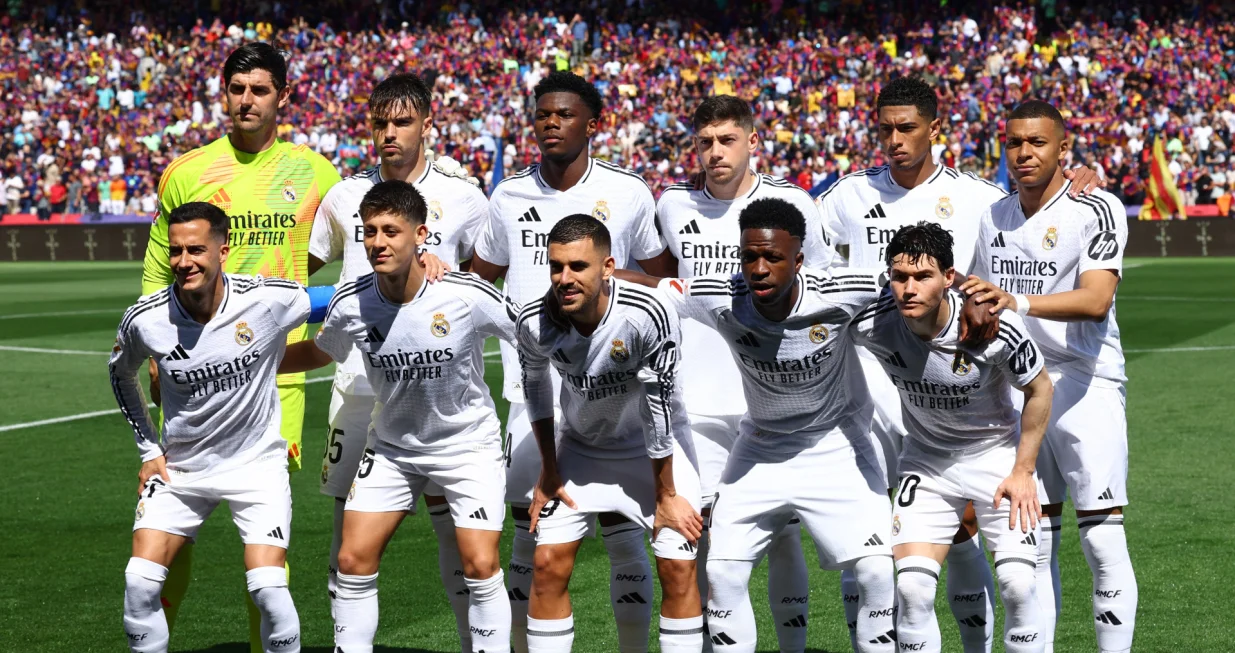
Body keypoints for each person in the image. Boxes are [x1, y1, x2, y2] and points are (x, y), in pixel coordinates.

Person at [816, 75, 1100, 652]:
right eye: (884, 129)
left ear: (934, 130)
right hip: (875, 393)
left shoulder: (977, 199)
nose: (894, 141)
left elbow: (1026, 229)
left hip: (965, 385)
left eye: (907, 128)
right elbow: (809, 267)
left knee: (984, 544)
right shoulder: (844, 195)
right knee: (881, 553)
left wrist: (1079, 183)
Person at [620, 197, 897, 653]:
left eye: (773, 257)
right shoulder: (720, 296)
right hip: (759, 450)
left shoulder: (842, 290)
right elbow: (653, 285)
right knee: (723, 573)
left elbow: (914, 284)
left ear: (800, 260)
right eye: (750, 256)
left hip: (836, 449)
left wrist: (977, 299)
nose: (760, 268)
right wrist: (597, 278)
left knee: (875, 572)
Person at [139, 42, 341, 651]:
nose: (245, 100)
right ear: (223, 94)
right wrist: (155, 355)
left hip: (277, 383)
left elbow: (346, 258)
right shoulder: (187, 172)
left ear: (283, 95)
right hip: (192, 380)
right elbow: (156, 270)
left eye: (259, 89)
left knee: (265, 554)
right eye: (236, 88)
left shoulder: (316, 174)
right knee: (170, 537)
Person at [470, 70, 676, 653]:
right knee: (527, 529)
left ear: (593, 124)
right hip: (529, 387)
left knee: (620, 528)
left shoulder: (629, 192)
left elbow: (663, 281)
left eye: (564, 114)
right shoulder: (509, 194)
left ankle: (633, 645)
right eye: (543, 114)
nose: (551, 123)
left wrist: (607, 277)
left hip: (610, 388)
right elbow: (482, 278)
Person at [281, 180, 515, 653]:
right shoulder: (351, 302)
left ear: (420, 235)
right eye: (369, 232)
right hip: (392, 448)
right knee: (352, 557)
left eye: (391, 230)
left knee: (479, 563)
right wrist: (253, 362)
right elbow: (322, 353)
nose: (377, 243)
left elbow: (531, 337)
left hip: (467, 445)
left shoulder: (466, 294)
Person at [306, 72, 486, 650]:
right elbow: (300, 272)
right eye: (379, 122)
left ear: (427, 124)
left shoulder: (463, 197)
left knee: (457, 541)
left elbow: (485, 286)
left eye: (402, 121)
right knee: (348, 542)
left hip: (438, 396)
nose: (389, 133)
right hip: (357, 389)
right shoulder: (342, 198)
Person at [656, 94, 836, 652]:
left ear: (752, 141)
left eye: (727, 140)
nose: (715, 152)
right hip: (697, 405)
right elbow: (664, 285)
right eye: (705, 141)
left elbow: (821, 298)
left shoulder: (792, 204)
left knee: (783, 538)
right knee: (705, 546)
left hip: (771, 402)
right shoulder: (672, 205)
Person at [964, 100, 1136, 653]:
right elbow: (978, 290)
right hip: (1016, 389)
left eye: (1038, 142)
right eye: (1014, 143)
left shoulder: (1097, 206)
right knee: (1029, 549)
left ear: (1064, 148)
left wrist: (1016, 302)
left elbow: (1096, 299)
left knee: (1103, 543)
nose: (1024, 153)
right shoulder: (993, 214)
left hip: (1086, 382)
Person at [109, 202, 308, 653]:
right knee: (139, 585)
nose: (184, 262)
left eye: (196, 249)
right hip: (181, 469)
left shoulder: (266, 299)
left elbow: (341, 296)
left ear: (224, 250)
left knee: (269, 591)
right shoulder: (145, 318)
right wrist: (147, 449)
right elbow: (120, 373)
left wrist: (423, 266)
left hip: (256, 466)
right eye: (176, 251)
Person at [849, 221, 1053, 653]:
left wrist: (1023, 470)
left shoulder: (992, 327)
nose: (909, 288)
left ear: (948, 277)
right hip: (926, 462)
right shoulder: (873, 322)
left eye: (923, 277)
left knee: (1018, 586)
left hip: (996, 458)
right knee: (912, 591)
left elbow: (1040, 388)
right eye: (900, 277)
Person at [516, 215, 704, 653]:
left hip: (655, 453)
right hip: (582, 450)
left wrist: (666, 495)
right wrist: (549, 470)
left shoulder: (646, 314)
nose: (564, 279)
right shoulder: (535, 320)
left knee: (678, 567)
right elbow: (536, 388)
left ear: (608, 267)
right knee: (545, 564)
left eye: (578, 266)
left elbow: (658, 408)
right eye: (556, 266)